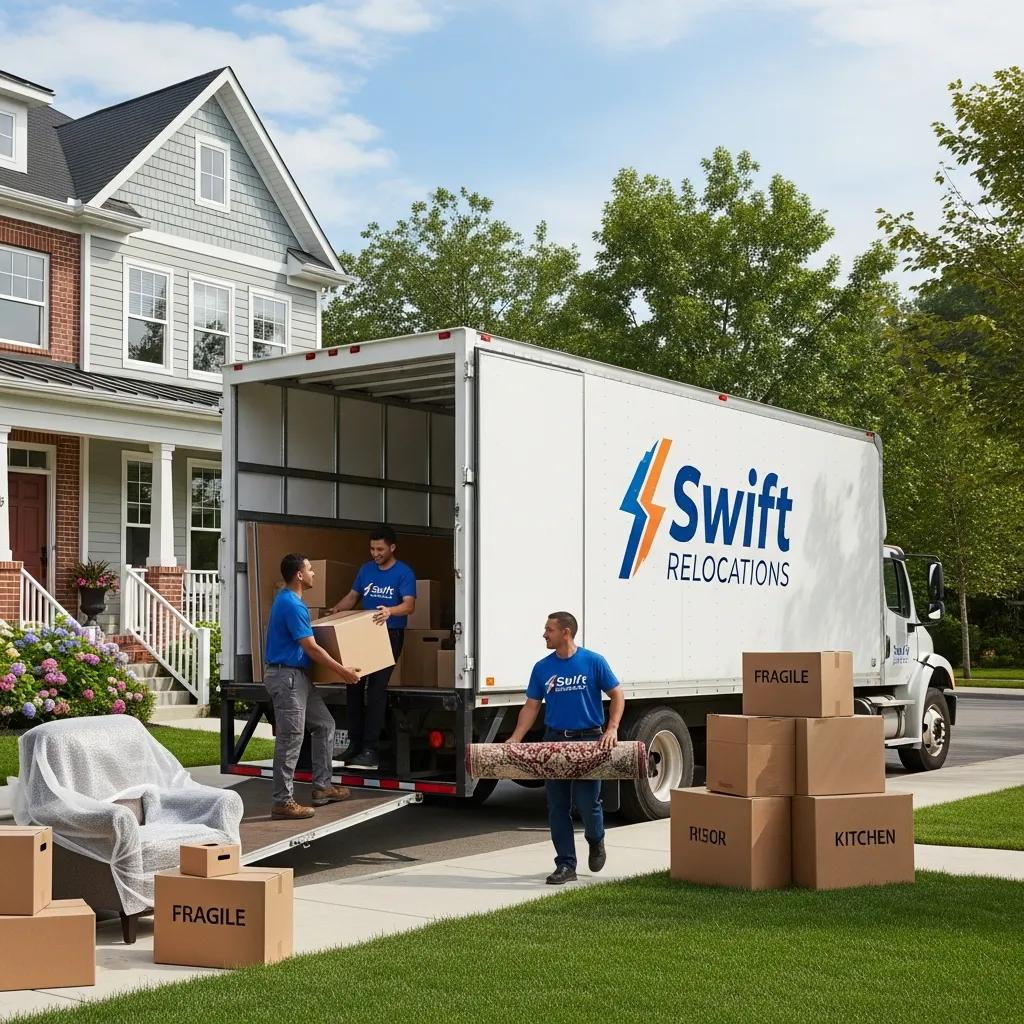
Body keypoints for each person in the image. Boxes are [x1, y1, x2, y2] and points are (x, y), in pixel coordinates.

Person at [506, 611, 625, 885]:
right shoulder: (542, 668)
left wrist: (612, 727)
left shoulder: (593, 662)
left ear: (566, 632)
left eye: (549, 629)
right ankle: (566, 865)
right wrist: (515, 737)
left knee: (587, 803)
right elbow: (531, 706)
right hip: (555, 740)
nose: (544, 634)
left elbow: (617, 694)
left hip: (588, 740)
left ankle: (596, 839)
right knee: (557, 807)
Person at [264, 554, 361, 820]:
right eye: (309, 569)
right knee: (290, 739)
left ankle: (322, 787)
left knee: (325, 725)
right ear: (298, 575)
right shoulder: (291, 604)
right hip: (287, 679)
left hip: (299, 677)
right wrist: (343, 672)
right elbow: (311, 647)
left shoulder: (291, 601)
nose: (313, 574)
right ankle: (282, 802)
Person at [327, 525, 417, 771]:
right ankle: (355, 745)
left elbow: (409, 606)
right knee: (353, 684)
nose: (375, 553)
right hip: (363, 633)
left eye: (379, 549)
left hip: (389, 634)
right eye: (372, 548)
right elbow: (352, 596)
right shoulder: (366, 570)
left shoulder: (404, 573)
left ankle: (371, 749)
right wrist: (336, 610)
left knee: (376, 690)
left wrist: (390, 611)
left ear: (392, 548)